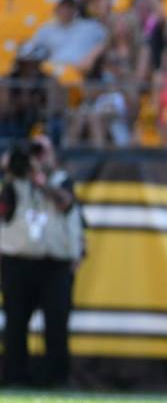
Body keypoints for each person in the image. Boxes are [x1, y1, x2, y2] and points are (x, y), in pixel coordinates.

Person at [0, 136, 84, 387]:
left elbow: (65, 203)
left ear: (53, 155)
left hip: (54, 265)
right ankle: (15, 378)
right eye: (33, 152)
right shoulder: (14, 183)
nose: (36, 158)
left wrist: (41, 182)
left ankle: (56, 379)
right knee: (15, 323)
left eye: (42, 151)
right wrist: (9, 171)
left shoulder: (61, 181)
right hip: (18, 262)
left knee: (56, 325)